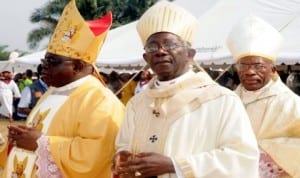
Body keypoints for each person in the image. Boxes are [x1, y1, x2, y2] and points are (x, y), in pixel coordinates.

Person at [112, 1, 259, 178]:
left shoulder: (221, 100)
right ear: (146, 57)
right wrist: (122, 155)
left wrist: (175, 166)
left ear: (190, 54)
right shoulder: (136, 104)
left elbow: (242, 159)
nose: (160, 51)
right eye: (152, 46)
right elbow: (124, 143)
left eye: (170, 44)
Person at [2, 0, 124, 177]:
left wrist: (41, 144)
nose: (44, 66)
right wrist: (17, 138)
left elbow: (98, 154)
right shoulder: (51, 92)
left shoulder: (101, 101)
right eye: (44, 61)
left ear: (78, 66)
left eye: (52, 61)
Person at [227, 15, 300, 178]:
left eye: (258, 66)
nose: (249, 71)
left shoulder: (290, 103)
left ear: (272, 69)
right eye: (243, 65)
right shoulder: (227, 101)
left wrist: (268, 154)